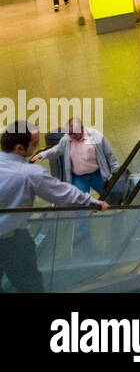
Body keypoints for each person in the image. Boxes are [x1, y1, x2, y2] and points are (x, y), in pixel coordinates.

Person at [1, 121, 108, 291]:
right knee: (30, 285)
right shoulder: (29, 174)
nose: (38, 147)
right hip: (11, 243)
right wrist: (94, 202)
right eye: (35, 144)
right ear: (19, 148)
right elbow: (64, 193)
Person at [33, 119, 120, 197]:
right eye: (70, 134)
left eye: (75, 133)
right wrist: (43, 154)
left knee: (109, 197)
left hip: (97, 175)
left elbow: (109, 153)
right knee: (79, 203)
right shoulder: (67, 139)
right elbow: (57, 149)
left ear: (82, 128)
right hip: (79, 178)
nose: (73, 136)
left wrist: (115, 170)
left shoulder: (95, 135)